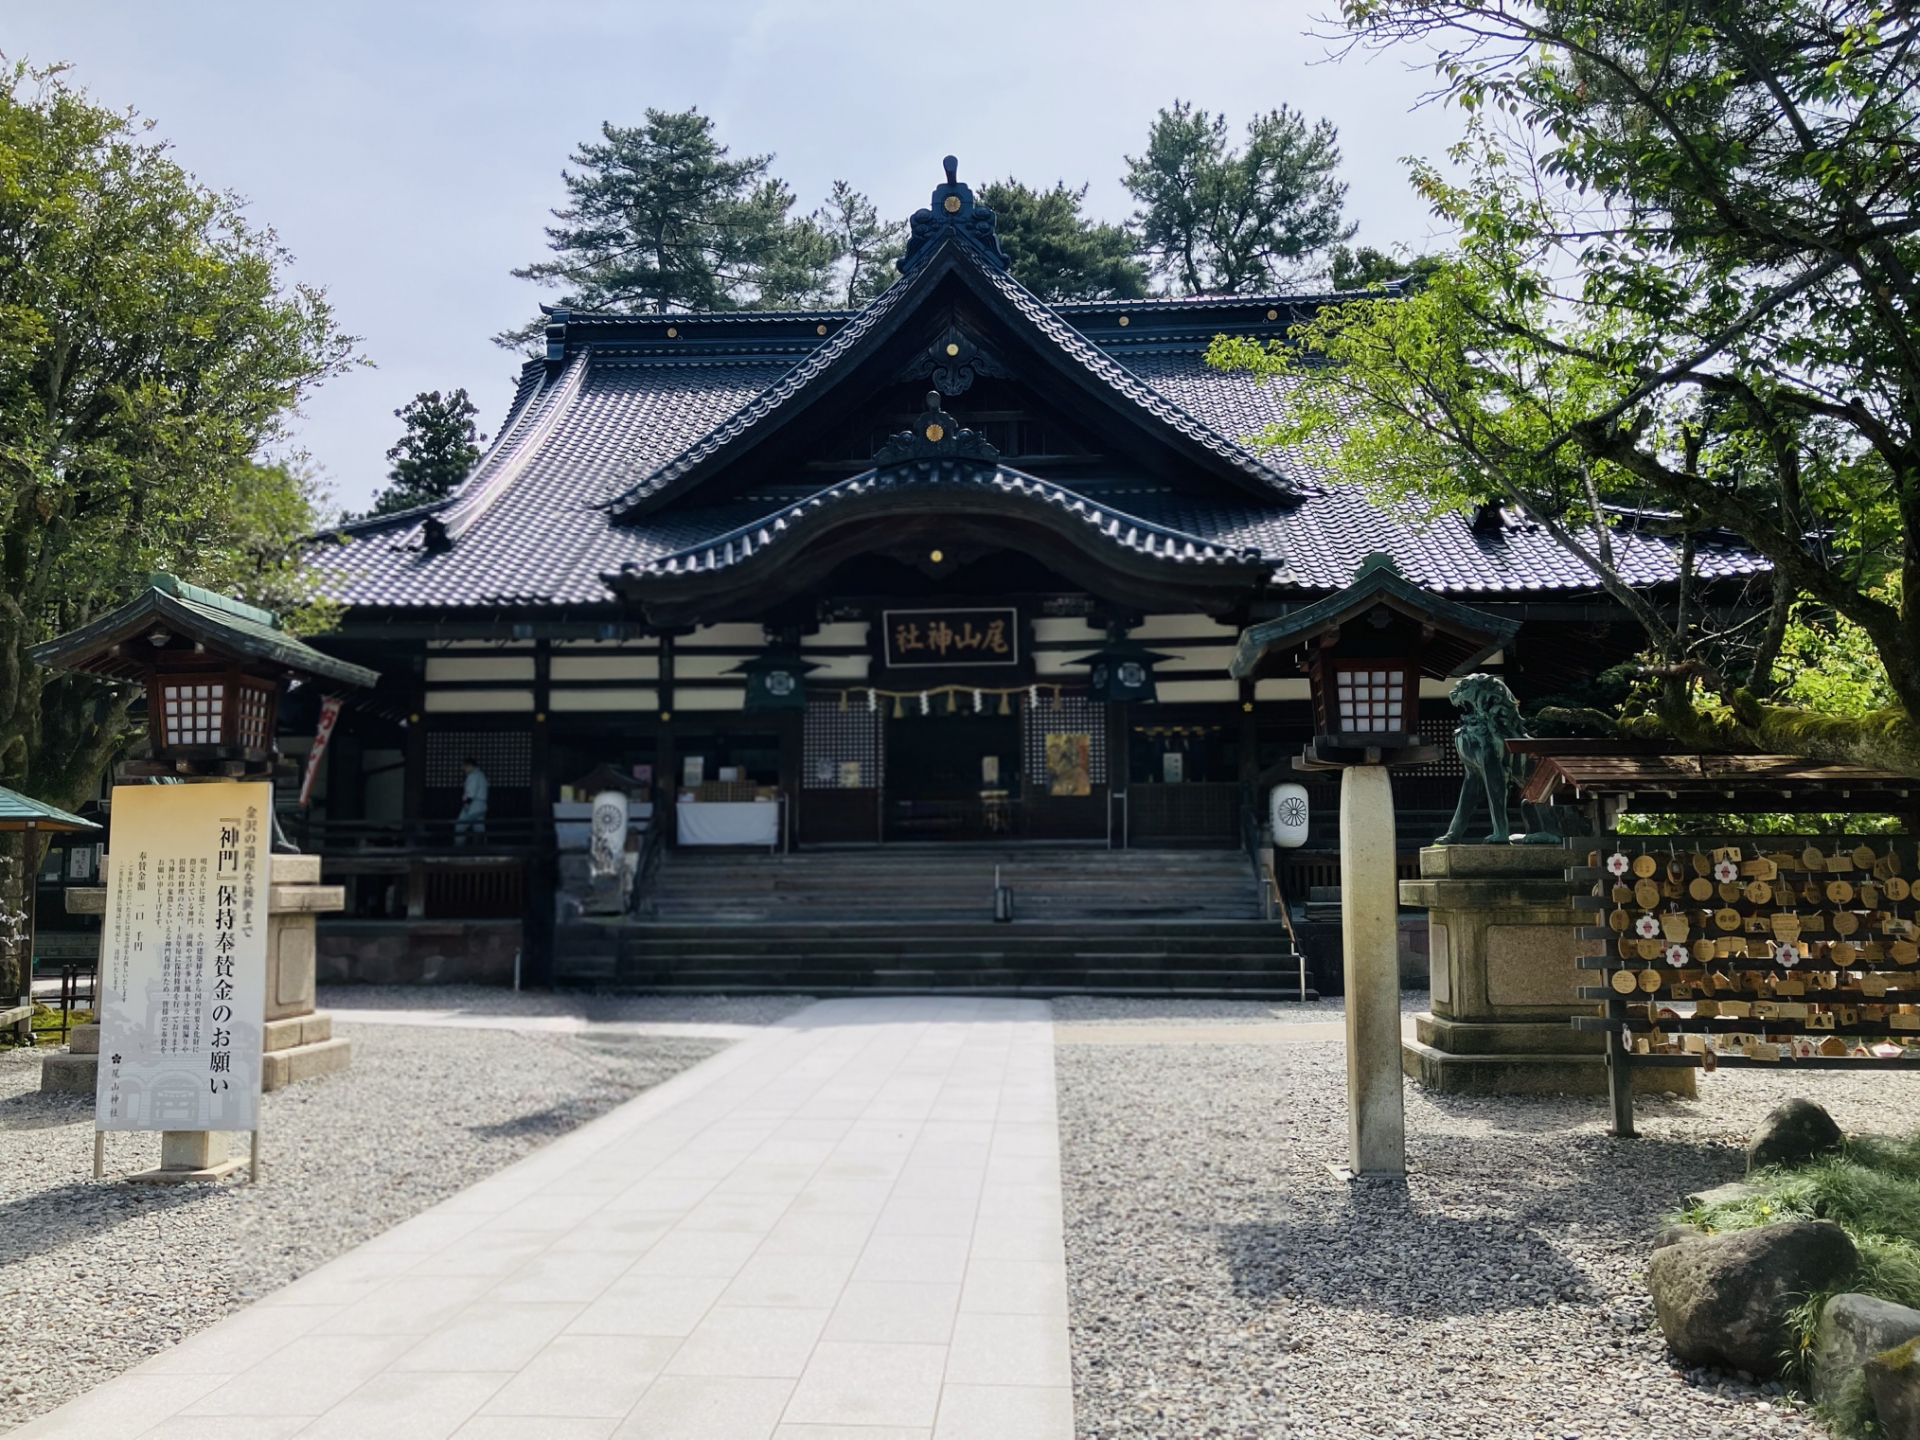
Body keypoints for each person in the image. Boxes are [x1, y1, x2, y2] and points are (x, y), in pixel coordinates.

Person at [455, 757, 488, 845]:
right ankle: (481, 850)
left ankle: (458, 849)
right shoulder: (481, 775)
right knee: (479, 828)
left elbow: (470, 792)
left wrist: (466, 804)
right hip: (482, 805)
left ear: (469, 766)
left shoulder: (473, 776)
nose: (463, 769)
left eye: (464, 766)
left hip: (473, 805)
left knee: (460, 826)